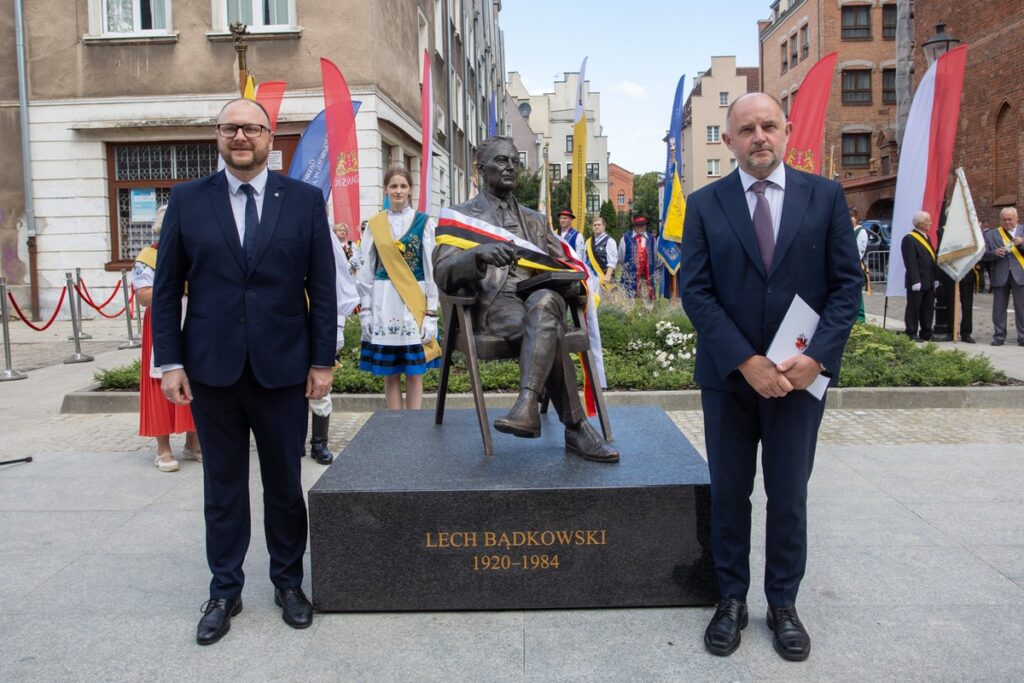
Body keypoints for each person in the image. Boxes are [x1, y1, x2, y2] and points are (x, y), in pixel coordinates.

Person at [679, 93, 861, 662]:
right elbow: (696, 292)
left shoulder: (825, 196)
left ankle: (783, 604)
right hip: (730, 379)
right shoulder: (704, 204)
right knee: (730, 494)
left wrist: (817, 359)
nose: (759, 136)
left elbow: (847, 287)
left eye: (768, 126)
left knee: (788, 496)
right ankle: (731, 600)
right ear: (729, 141)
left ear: (787, 131)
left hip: (798, 378)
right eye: (746, 129)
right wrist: (746, 361)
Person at [152, 98, 337, 645]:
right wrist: (171, 363)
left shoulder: (303, 200)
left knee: (284, 484)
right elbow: (166, 289)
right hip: (212, 369)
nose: (240, 137)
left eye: (251, 128)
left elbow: (322, 288)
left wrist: (322, 361)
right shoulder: (187, 200)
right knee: (223, 486)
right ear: (218, 136)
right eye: (230, 128)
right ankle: (224, 590)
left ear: (268, 137)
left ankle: (288, 583)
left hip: (283, 367)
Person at [433, 136, 618, 463]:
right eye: (501, 161)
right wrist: (477, 255)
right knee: (549, 325)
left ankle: (526, 406)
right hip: (495, 306)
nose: (510, 167)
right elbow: (443, 271)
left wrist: (573, 285)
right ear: (480, 169)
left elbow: (567, 265)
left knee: (545, 301)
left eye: (515, 162)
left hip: (539, 297)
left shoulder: (535, 220)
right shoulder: (460, 217)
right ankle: (575, 427)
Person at [357, 166, 440, 410]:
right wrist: (365, 311)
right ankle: (394, 423)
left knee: (415, 372)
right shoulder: (375, 224)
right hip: (384, 301)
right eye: (393, 186)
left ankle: (413, 424)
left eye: (403, 186)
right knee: (390, 371)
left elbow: (431, 269)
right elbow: (365, 270)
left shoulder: (424, 223)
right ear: (386, 189)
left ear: (410, 190)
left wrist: (431, 312)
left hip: (414, 302)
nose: (398, 191)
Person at [131, 204, 200, 472]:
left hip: (193, 318)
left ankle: (193, 443)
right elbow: (143, 296)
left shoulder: (192, 252)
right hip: (162, 322)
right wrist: (174, 285)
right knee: (160, 380)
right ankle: (163, 449)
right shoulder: (148, 256)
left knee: (195, 379)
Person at [307, 221, 360, 465]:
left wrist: (336, 327)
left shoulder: (324, 236)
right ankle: (294, 440)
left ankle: (319, 442)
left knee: (320, 386)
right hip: (284, 320)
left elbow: (337, 282)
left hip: (316, 319)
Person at [982, 207, 1024, 346]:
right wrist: (993, 253)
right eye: (1004, 220)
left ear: (1017, 219)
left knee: (1021, 307)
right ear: (1000, 220)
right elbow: (982, 254)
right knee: (999, 308)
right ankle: (999, 336)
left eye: (1010, 219)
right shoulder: (991, 234)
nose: (1007, 222)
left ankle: (1022, 337)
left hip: (1020, 274)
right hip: (1000, 274)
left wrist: (1022, 243)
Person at [901, 211, 938, 341]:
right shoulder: (909, 239)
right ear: (920, 223)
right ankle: (911, 332)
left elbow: (931, 259)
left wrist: (935, 278)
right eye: (927, 221)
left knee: (928, 307)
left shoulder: (926, 237)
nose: (930, 223)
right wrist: (915, 280)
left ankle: (926, 331)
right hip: (917, 280)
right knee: (914, 307)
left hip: (929, 279)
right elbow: (911, 262)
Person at [618, 215, 655, 299]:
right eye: (639, 225)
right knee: (629, 298)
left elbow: (655, 256)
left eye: (644, 225)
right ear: (634, 226)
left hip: (647, 275)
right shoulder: (625, 238)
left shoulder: (651, 238)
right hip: (631, 274)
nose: (642, 227)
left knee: (647, 299)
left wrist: (652, 267)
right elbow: (621, 257)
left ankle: (648, 306)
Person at [584, 215, 617, 286]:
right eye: (594, 225)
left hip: (604, 277)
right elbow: (584, 259)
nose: (596, 227)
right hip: (590, 277)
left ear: (604, 226)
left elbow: (612, 261)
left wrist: (608, 276)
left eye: (599, 225)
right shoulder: (588, 242)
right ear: (592, 227)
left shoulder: (610, 241)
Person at [851, 209, 868, 323]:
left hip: (854, 264)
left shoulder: (861, 231)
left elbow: (860, 251)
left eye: (851, 217)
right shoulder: (846, 230)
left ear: (856, 218)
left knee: (855, 289)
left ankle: (860, 317)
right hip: (845, 263)